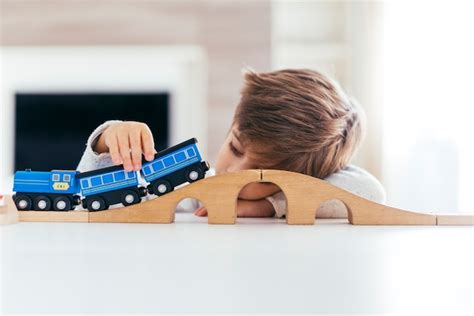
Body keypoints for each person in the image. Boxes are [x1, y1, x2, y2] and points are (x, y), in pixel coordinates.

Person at [77, 69, 385, 218]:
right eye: (236, 148)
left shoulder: (291, 202)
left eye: (259, 174)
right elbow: (92, 203)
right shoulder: (196, 195)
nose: (233, 172)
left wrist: (268, 207)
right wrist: (106, 142)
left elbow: (371, 191)